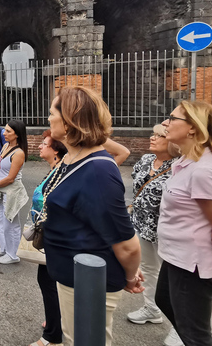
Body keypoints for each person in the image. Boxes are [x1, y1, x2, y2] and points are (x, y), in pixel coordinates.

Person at [43, 86, 143, 346]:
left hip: (88, 281)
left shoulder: (97, 172)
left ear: (68, 122)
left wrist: (131, 277)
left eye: (53, 113)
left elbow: (127, 244)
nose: (48, 118)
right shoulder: (73, 157)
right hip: (74, 274)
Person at [157, 101, 212, 346]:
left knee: (195, 334)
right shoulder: (185, 162)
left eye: (172, 118)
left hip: (193, 266)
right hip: (177, 257)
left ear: (193, 128)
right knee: (164, 301)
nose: (166, 122)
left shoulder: (204, 170)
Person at [126, 124, 183, 346]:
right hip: (142, 225)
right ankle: (152, 309)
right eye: (153, 133)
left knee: (174, 280)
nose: (153, 137)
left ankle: (181, 326)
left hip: (166, 230)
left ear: (171, 143)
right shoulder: (145, 161)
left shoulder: (178, 167)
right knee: (149, 269)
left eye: (159, 135)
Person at [27, 129, 68, 346]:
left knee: (49, 282)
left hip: (56, 237)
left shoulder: (62, 171)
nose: (40, 146)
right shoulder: (54, 170)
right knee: (50, 282)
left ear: (56, 151)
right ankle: (56, 321)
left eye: (45, 144)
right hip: (49, 233)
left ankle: (53, 337)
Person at [0, 119, 29, 265]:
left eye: (8, 131)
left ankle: (13, 255)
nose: (4, 133)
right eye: (5, 130)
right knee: (0, 219)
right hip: (0, 188)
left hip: (11, 191)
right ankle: (5, 248)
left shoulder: (19, 153)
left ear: (17, 134)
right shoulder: (5, 146)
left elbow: (11, 178)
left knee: (10, 222)